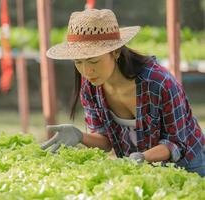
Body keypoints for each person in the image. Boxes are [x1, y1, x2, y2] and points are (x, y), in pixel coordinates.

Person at [41, 9, 205, 177]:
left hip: (190, 164)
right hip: (141, 169)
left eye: (94, 61)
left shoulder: (158, 82)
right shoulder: (89, 87)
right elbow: (105, 141)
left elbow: (176, 143)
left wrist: (142, 157)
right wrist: (80, 136)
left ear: (116, 52)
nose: (86, 70)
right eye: (78, 62)